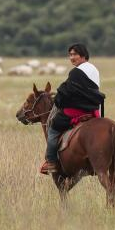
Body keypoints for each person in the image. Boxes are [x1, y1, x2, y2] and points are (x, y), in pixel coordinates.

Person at [40, 42, 105, 175]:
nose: (71, 57)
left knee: (53, 128)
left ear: (83, 55)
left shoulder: (76, 72)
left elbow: (66, 92)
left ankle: (51, 162)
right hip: (94, 111)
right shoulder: (94, 69)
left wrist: (57, 100)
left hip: (78, 111)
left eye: (74, 54)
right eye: (70, 54)